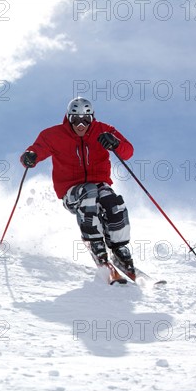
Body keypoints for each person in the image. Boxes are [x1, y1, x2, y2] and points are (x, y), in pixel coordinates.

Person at [20, 97, 135, 274]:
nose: (80, 124)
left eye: (85, 119)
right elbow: (37, 149)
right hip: (72, 192)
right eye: (75, 119)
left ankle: (119, 249)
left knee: (112, 201)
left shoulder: (104, 130)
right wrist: (30, 156)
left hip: (99, 185)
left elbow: (128, 152)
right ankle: (96, 245)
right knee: (88, 193)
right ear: (68, 117)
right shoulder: (53, 134)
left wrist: (115, 143)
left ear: (92, 118)